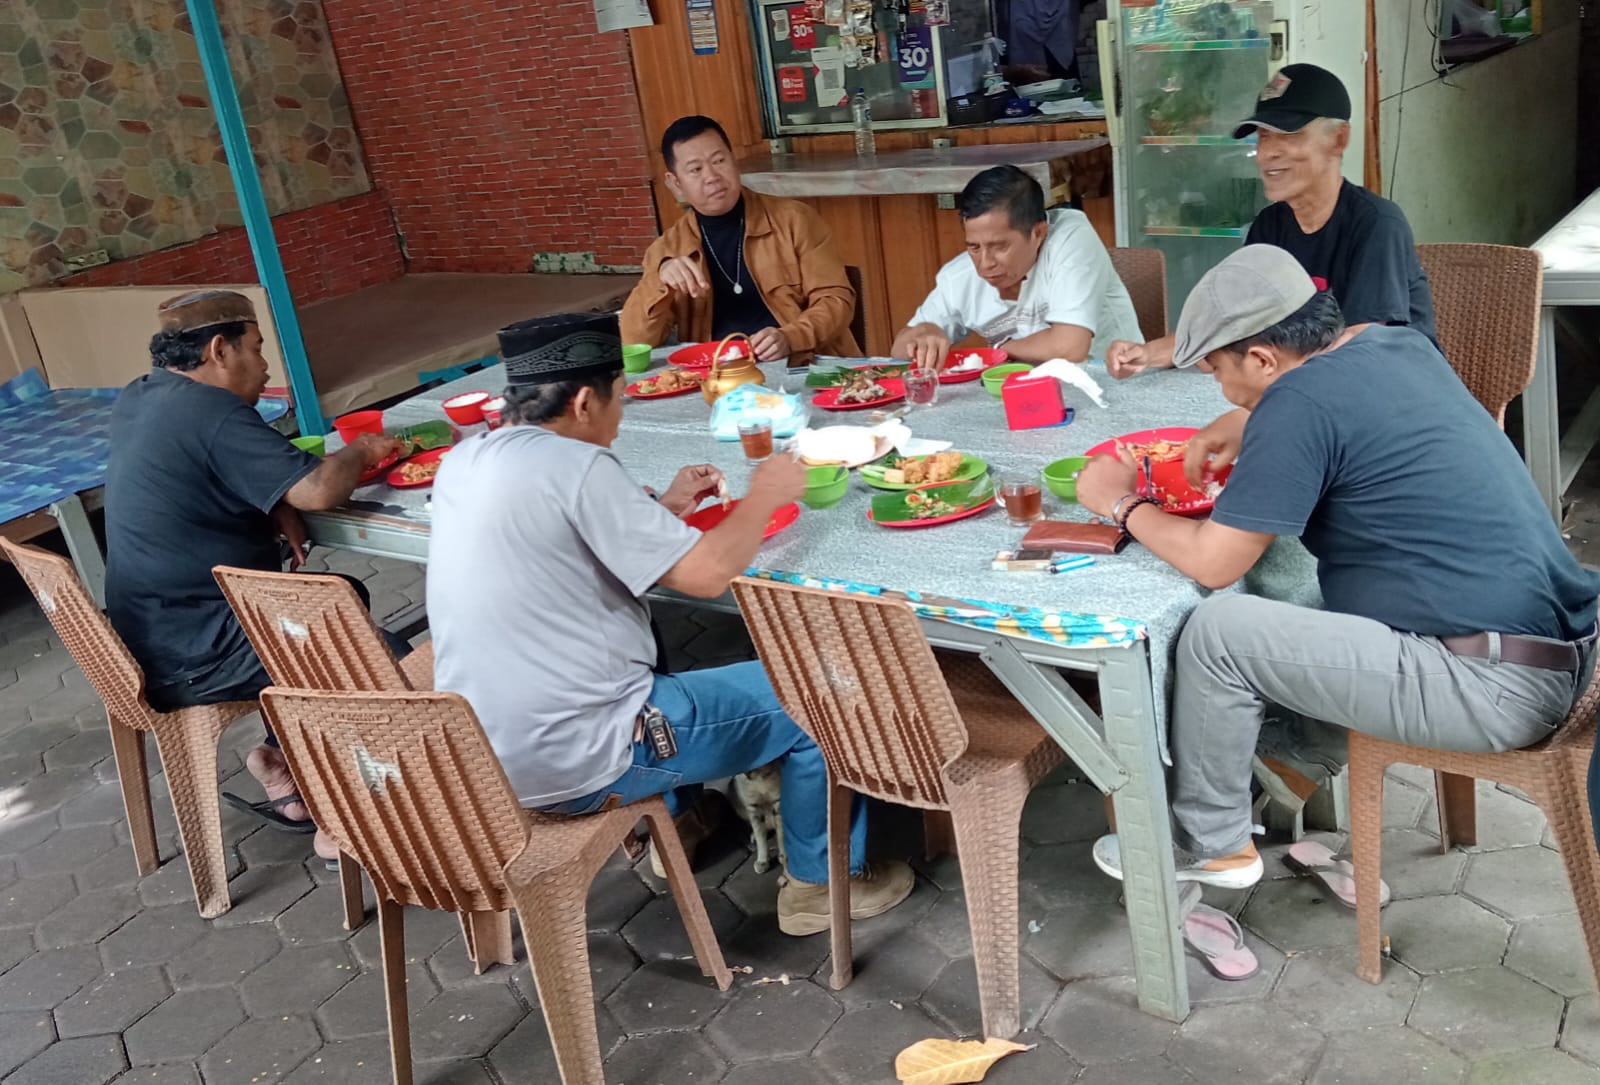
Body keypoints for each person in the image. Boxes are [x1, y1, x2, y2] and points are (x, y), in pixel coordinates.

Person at [1075, 245, 1598, 889]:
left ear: (1262, 359)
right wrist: (1244, 418)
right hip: (1557, 646)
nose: (1221, 387)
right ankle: (1287, 770)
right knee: (1301, 597)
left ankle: (1208, 844)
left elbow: (1213, 562)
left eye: (1218, 371)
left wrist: (1120, 503)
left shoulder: (1298, 405)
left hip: (1491, 685)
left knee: (1218, 632)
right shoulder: (1392, 342)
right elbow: (1331, 406)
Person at [426, 312, 914, 935]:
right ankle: (821, 884)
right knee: (822, 691)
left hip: (483, 754)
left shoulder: (465, 459)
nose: (621, 416)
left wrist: (664, 510)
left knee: (652, 641)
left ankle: (683, 823)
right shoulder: (579, 465)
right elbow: (707, 576)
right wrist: (766, 493)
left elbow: (560, 544)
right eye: (619, 397)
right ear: (583, 402)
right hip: (580, 755)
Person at [105, 290, 405, 852]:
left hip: (147, 634)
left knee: (339, 594)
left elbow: (200, 475)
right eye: (258, 349)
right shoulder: (212, 411)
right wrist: (363, 450)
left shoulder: (141, 395)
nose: (266, 367)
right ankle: (345, 822)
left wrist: (272, 503)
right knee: (375, 656)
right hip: (199, 651)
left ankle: (284, 762)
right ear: (220, 350)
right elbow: (318, 489)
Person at [1106, 63, 1437, 380]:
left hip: (1391, 393)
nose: (1267, 154)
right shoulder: (1270, 226)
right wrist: (1146, 354)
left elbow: (1363, 346)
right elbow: (1227, 322)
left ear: (1338, 139)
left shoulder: (1376, 224)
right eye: (1264, 136)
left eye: (1289, 135)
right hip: (1308, 386)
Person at [620, 115, 859, 366]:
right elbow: (633, 340)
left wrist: (790, 337)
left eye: (719, 161)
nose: (712, 176)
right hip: (717, 373)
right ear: (676, 184)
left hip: (800, 362)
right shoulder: (667, 250)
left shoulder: (794, 220)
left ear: (734, 162)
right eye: (696, 169)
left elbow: (836, 300)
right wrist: (660, 282)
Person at [891, 164, 1140, 372]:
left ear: (1039, 232)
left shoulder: (1072, 239)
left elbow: (1070, 348)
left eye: (999, 246)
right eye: (974, 247)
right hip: (1022, 392)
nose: (985, 263)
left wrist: (1000, 350)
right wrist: (924, 332)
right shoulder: (958, 277)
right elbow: (898, 352)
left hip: (1112, 380)